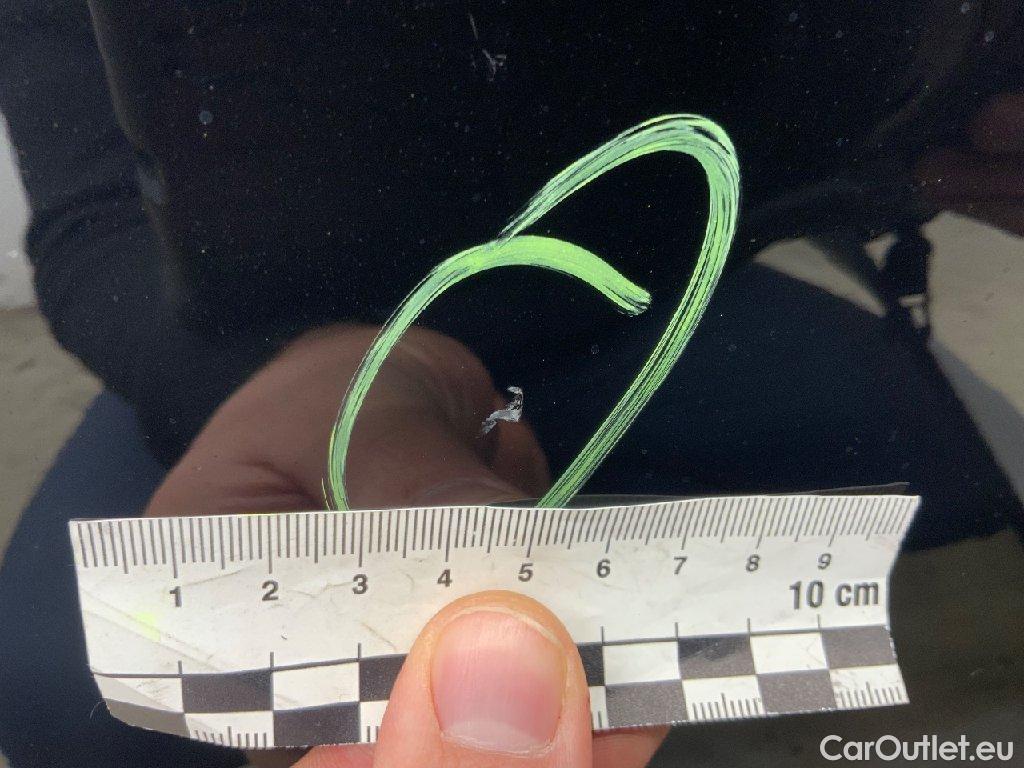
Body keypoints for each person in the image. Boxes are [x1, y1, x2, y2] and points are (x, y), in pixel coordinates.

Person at [0, 2, 1021, 767]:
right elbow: (91, 223)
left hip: (661, 315)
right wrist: (275, 368)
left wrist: (906, 162)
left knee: (966, 502)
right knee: (63, 689)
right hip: (278, 384)